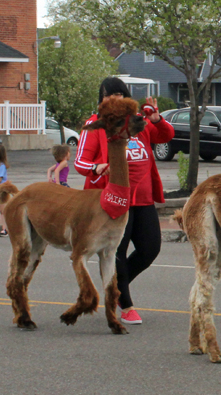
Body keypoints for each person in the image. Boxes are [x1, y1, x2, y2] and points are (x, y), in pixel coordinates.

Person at [74, 77, 174, 325]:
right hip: (113, 199)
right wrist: (97, 167)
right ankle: (126, 304)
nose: (114, 99)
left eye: (118, 93)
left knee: (150, 249)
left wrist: (156, 120)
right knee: (116, 252)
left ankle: (116, 285)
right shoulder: (95, 125)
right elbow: (80, 162)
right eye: (108, 95)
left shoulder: (138, 122)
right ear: (101, 99)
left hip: (142, 198)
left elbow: (165, 135)